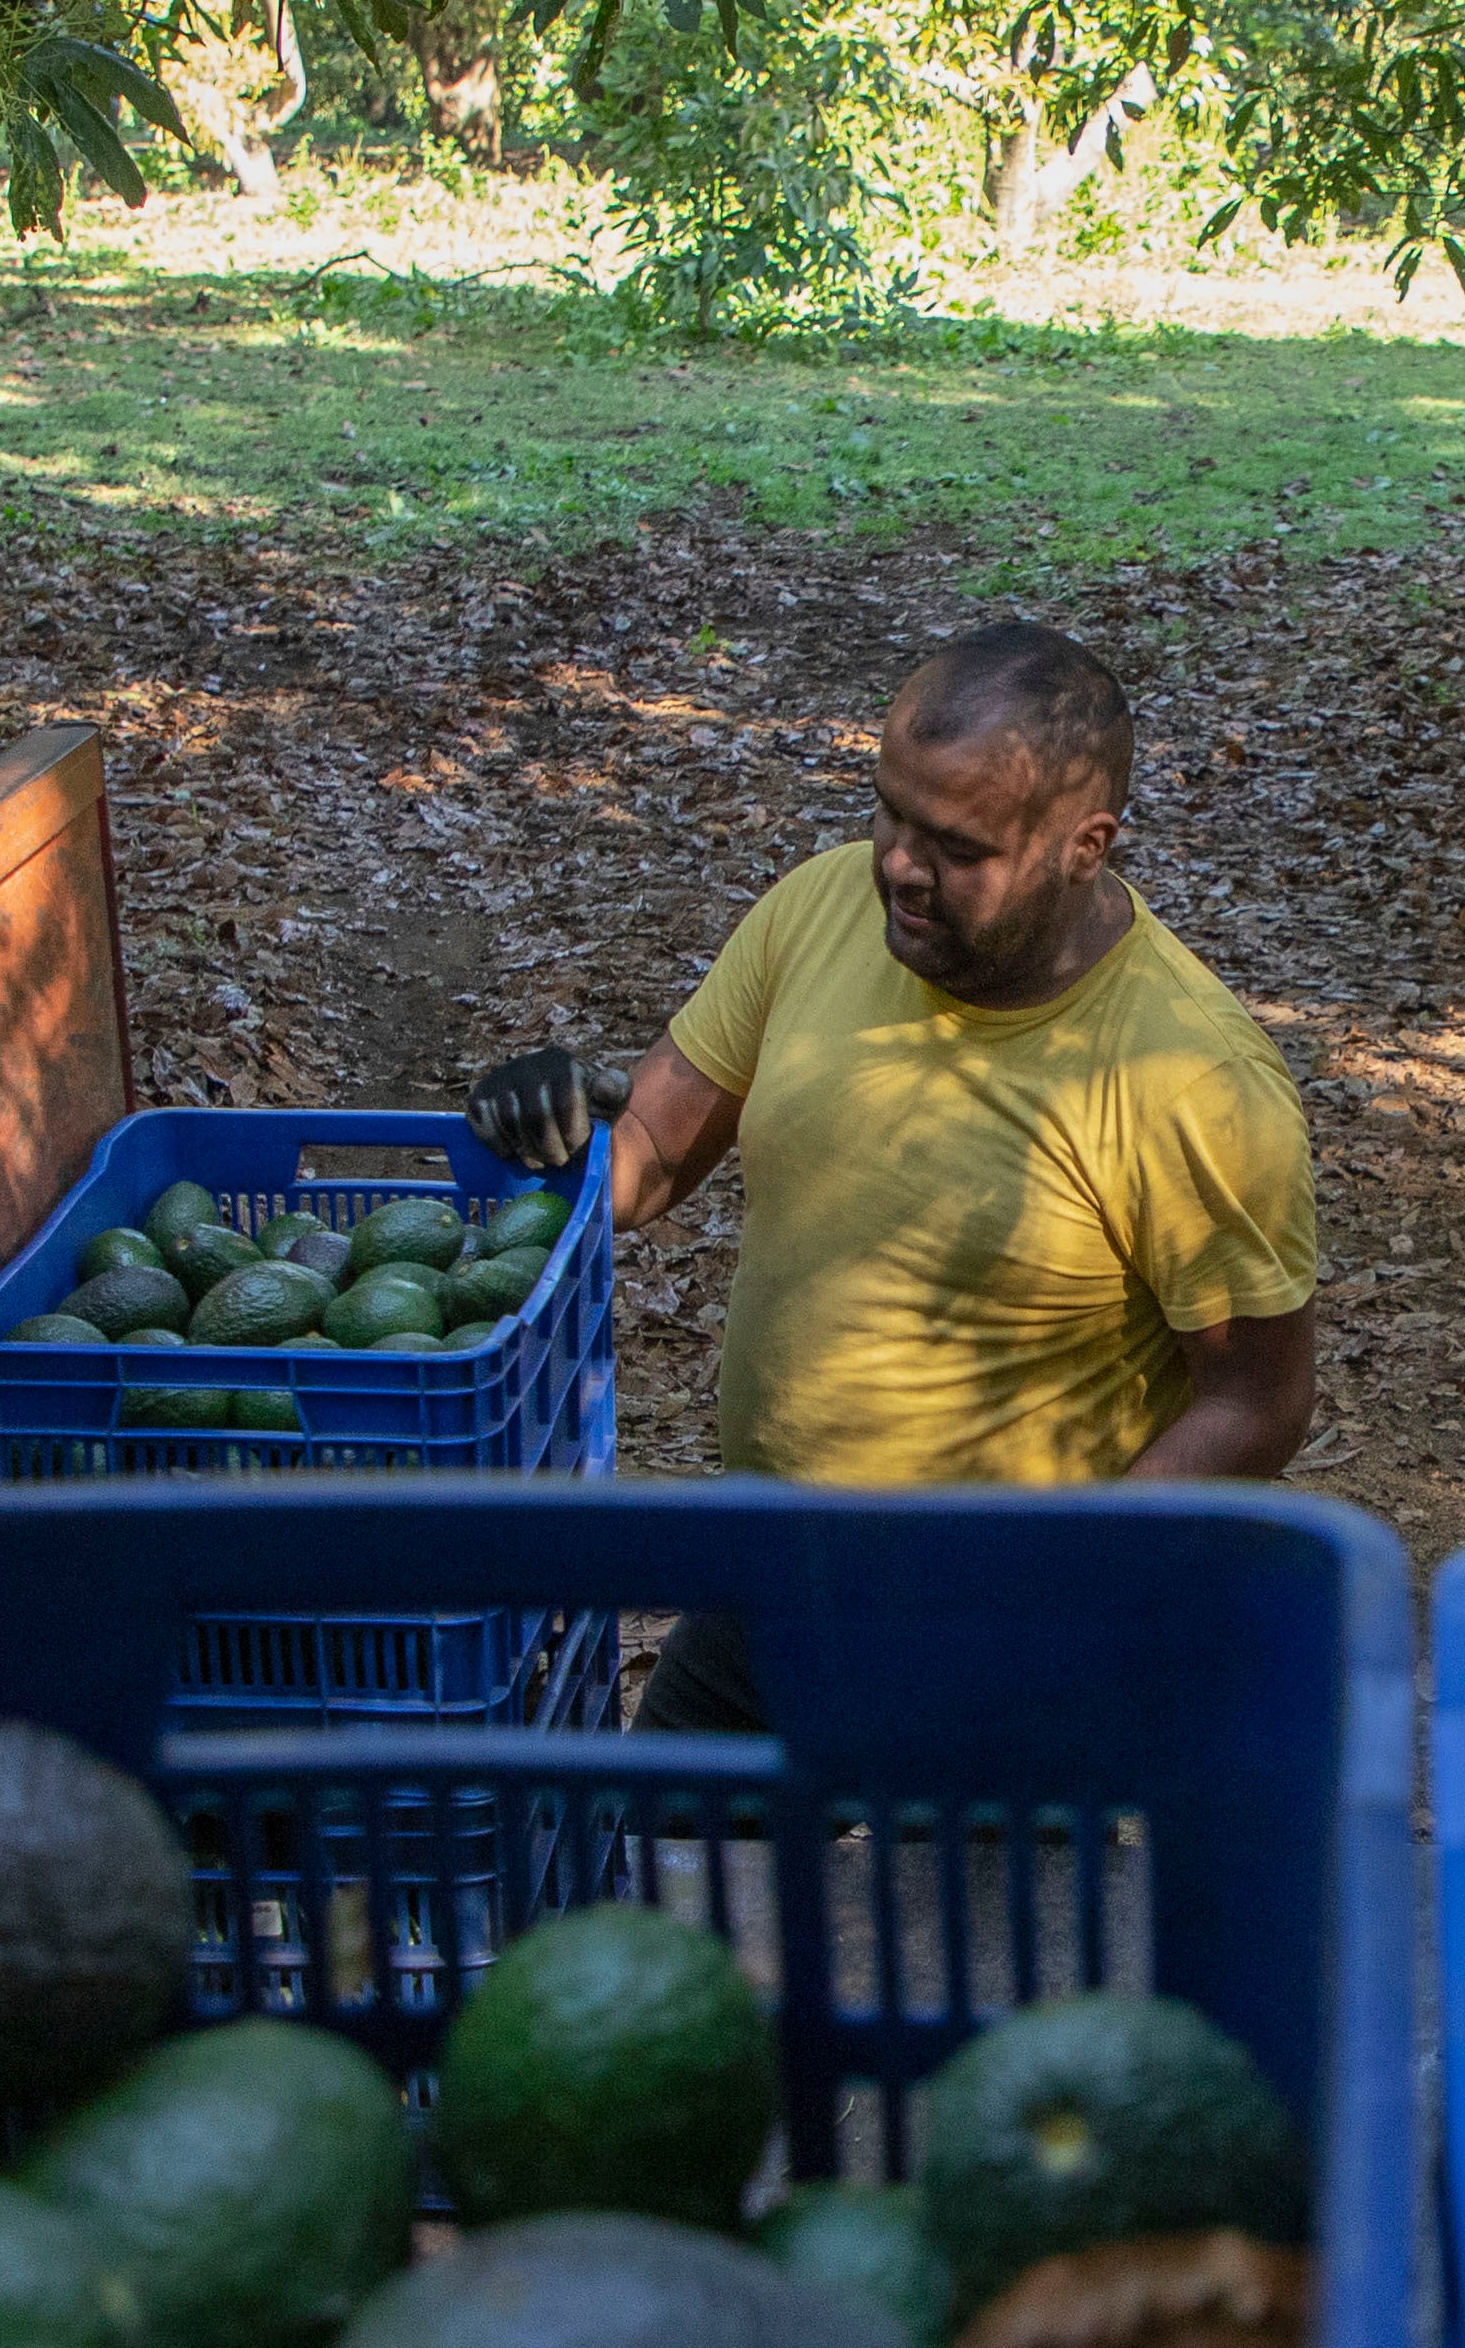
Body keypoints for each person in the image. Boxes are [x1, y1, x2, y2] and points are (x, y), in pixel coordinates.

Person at [468, 620, 1325, 1728]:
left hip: (1015, 1639)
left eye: (960, 849)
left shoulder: (1189, 1078)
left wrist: (1060, 1583)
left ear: (1084, 844)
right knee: (657, 1876)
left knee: (961, 1909)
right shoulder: (819, 909)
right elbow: (649, 1158)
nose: (901, 869)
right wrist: (551, 1138)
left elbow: (1259, 1401)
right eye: (889, 812)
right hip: (773, 1583)